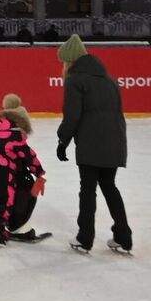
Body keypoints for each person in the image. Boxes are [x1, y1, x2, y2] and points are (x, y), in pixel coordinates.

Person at [56, 34, 132, 256]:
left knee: (87, 190)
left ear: (69, 61)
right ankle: (123, 237)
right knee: (110, 186)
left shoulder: (75, 80)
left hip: (91, 143)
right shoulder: (109, 79)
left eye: (63, 61)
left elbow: (72, 116)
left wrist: (63, 140)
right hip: (116, 141)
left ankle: (84, 237)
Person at [0, 93, 47, 245]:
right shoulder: (16, 138)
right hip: (1, 171)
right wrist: (39, 173)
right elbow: (29, 156)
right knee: (4, 200)